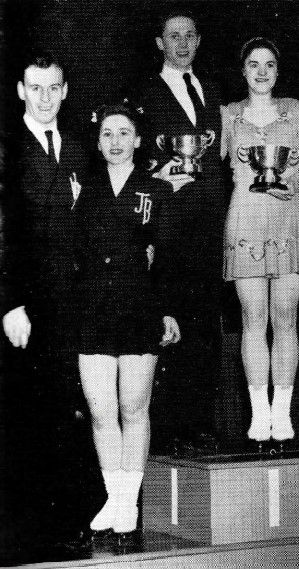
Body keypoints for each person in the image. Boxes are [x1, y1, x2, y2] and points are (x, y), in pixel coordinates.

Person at [74, 102, 180, 534]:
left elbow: (168, 257)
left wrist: (168, 310)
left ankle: (127, 504)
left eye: (123, 133)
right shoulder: (83, 189)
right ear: (98, 143)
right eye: (107, 134)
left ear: (138, 140)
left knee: (134, 408)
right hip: (92, 308)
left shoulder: (156, 191)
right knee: (101, 411)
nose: (115, 141)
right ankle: (113, 497)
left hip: (139, 306)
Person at [3, 50, 91, 543]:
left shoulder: (77, 150)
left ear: (64, 91)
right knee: (26, 414)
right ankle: (27, 528)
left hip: (70, 303)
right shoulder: (7, 149)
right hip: (24, 308)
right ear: (20, 91)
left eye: (53, 88)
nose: (44, 97)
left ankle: (63, 521)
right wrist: (9, 303)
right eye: (34, 88)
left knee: (66, 407)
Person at [221, 37, 299, 443]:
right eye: (253, 64)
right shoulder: (228, 114)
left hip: (290, 215)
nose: (261, 72)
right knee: (252, 319)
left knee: (285, 316)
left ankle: (282, 413)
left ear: (278, 71)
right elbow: (205, 164)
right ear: (243, 70)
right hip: (245, 219)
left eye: (269, 65)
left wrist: (293, 183)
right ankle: (258, 412)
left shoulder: (298, 110)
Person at [137, 10, 225, 446]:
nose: (183, 43)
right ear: (160, 43)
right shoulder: (143, 93)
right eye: (174, 36)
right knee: (170, 321)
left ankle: (201, 423)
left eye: (190, 35)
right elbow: (130, 159)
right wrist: (160, 170)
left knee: (207, 322)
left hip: (210, 222)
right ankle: (170, 429)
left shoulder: (212, 89)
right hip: (168, 224)